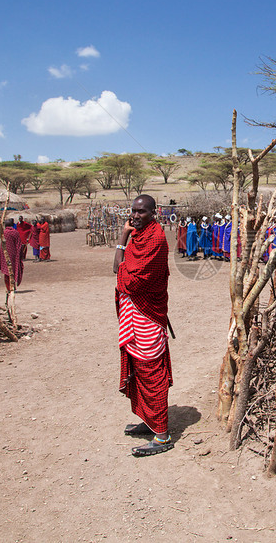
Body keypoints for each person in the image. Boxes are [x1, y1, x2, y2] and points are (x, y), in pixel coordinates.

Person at [113, 194, 172, 457]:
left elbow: (128, 278)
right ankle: (149, 422)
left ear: (154, 212)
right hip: (135, 315)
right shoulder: (139, 236)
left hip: (147, 317)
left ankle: (162, 436)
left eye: (141, 212)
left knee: (151, 373)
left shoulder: (156, 240)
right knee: (139, 372)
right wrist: (125, 236)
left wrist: (121, 240)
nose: (135, 216)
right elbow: (120, 270)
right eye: (133, 211)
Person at [0, 218, 24, 292]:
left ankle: (9, 288)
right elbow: (19, 245)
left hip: (5, 255)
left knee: (7, 272)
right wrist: (19, 255)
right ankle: (13, 287)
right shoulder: (15, 232)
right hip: (14, 255)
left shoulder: (3, 233)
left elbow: (2, 245)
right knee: (13, 270)